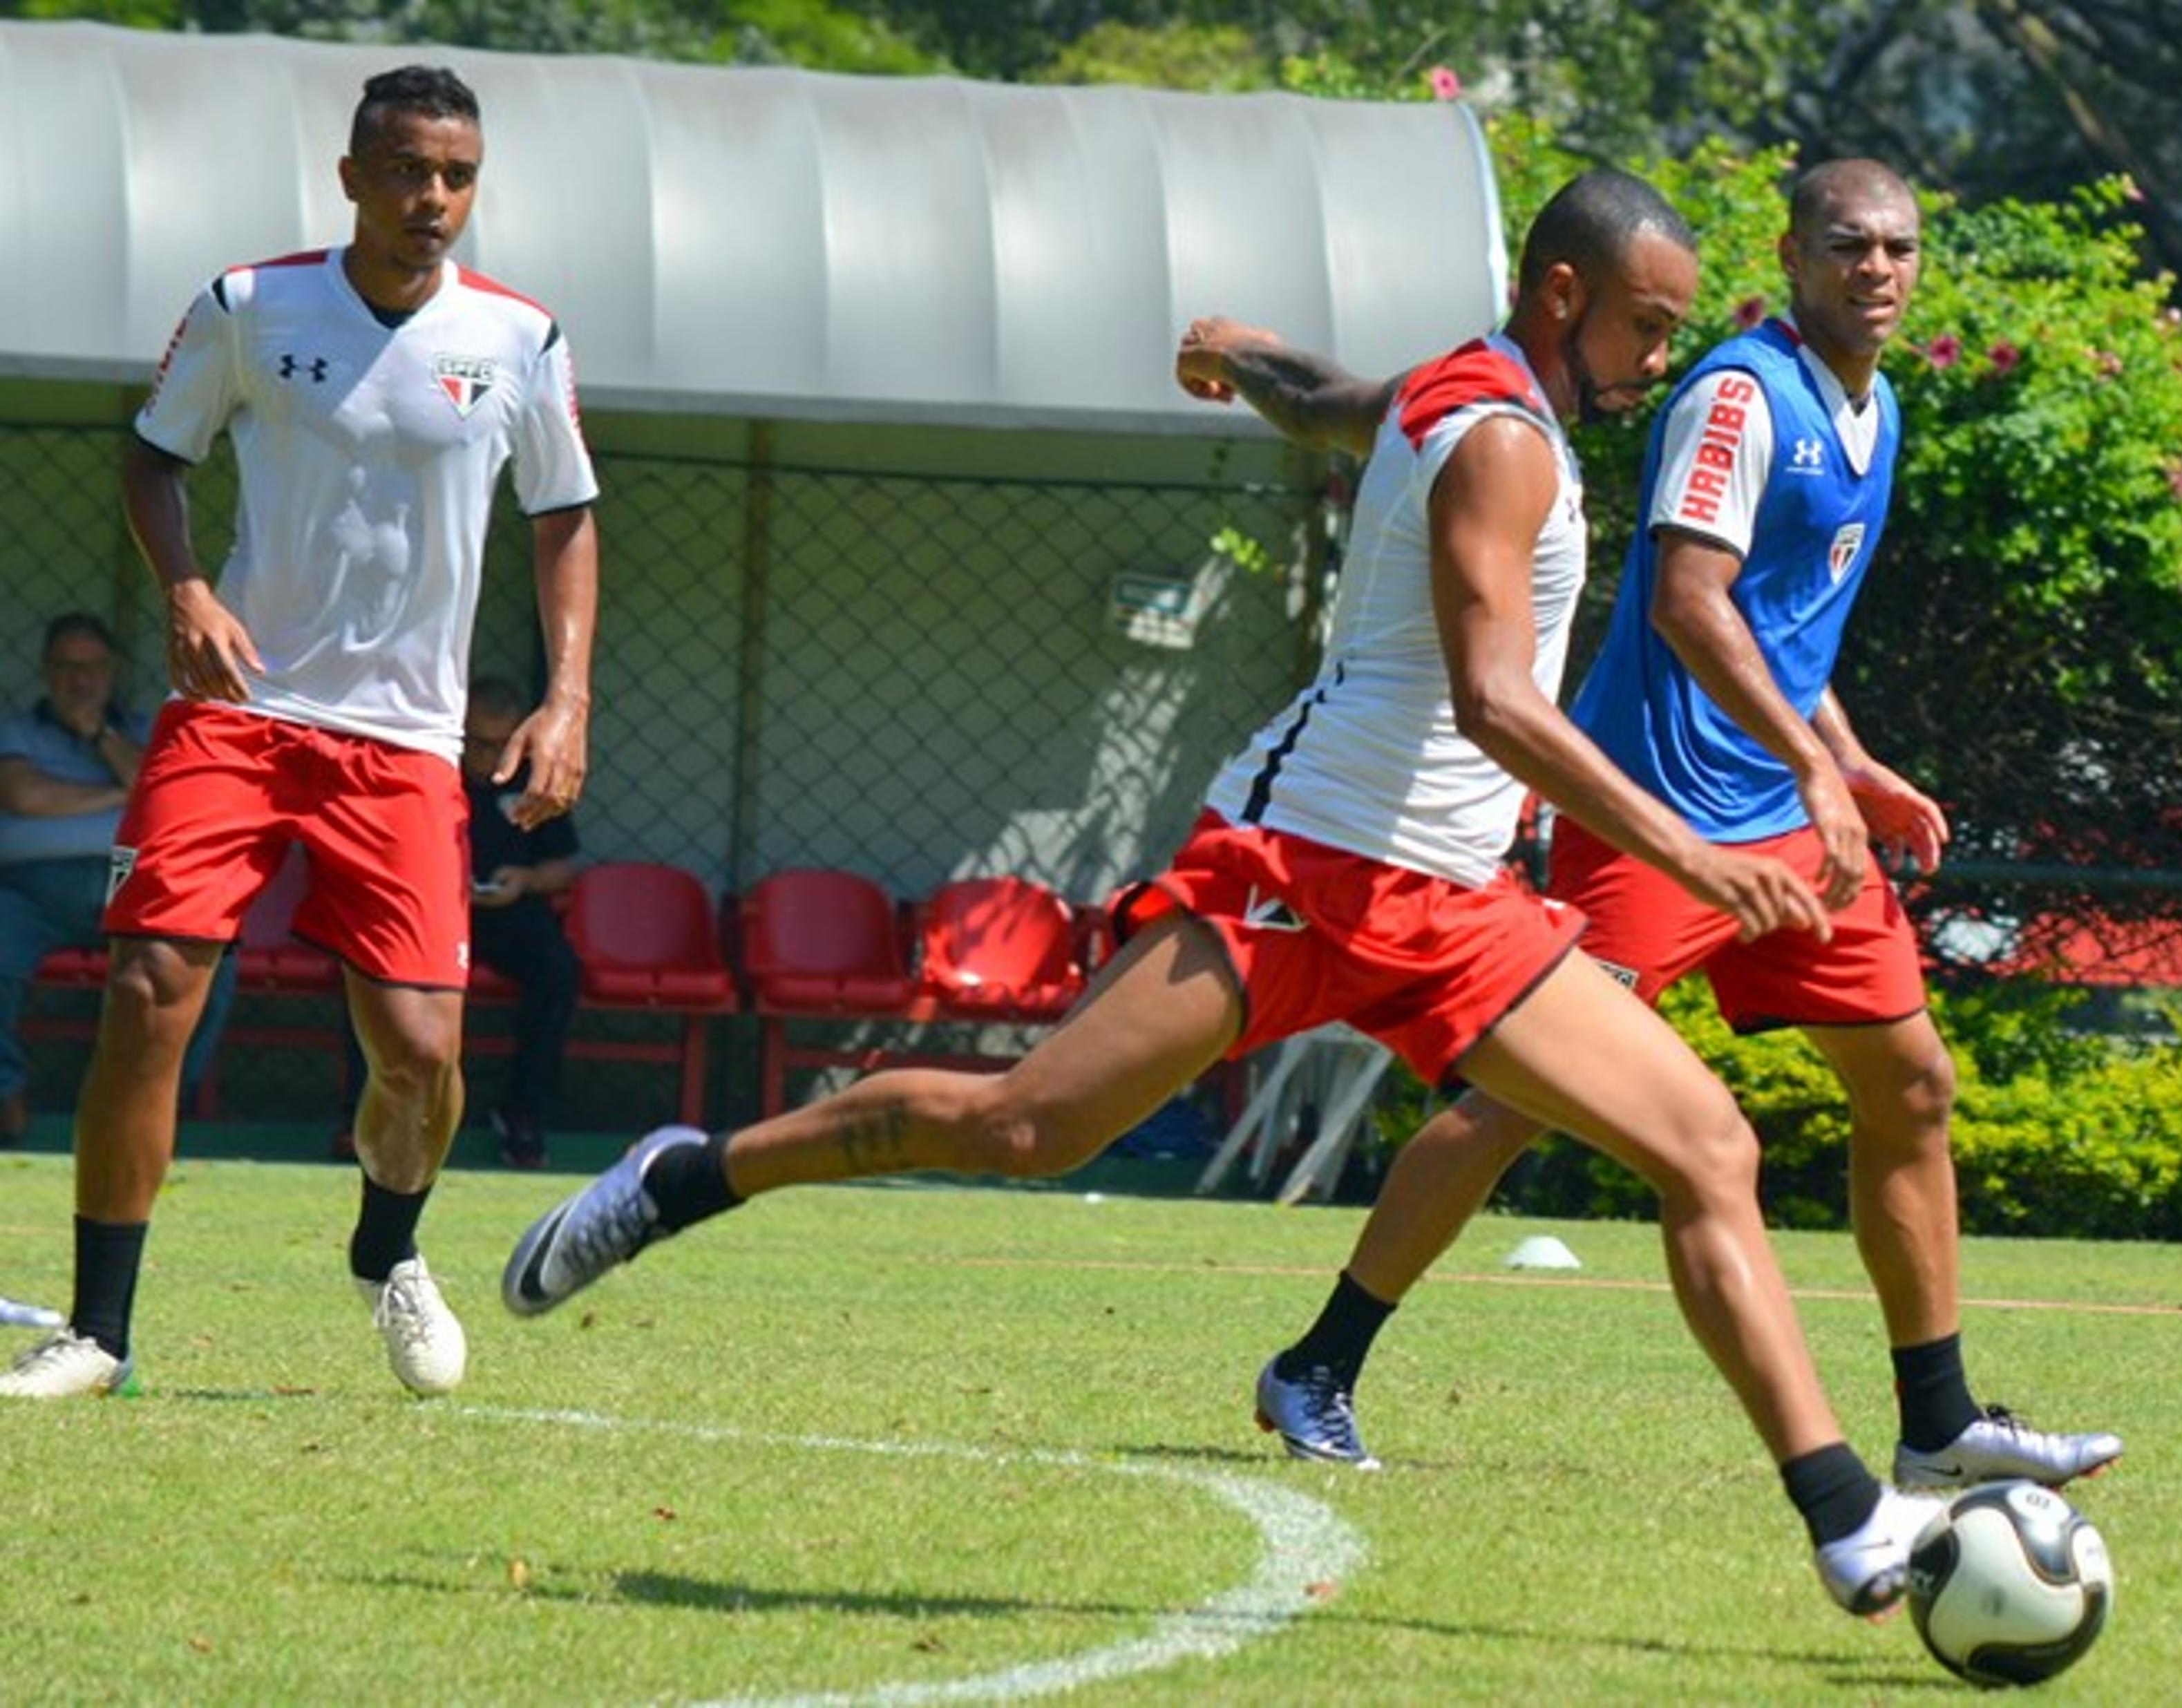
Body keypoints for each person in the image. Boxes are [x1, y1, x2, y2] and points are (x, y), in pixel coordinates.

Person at [502, 169, 1941, 1618]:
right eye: (1644, 324)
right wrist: (1688, 855)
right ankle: (691, 1174)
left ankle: (1843, 1516)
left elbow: (1329, 403)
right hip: (1303, 869)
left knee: (1706, 1149)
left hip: (1454, 904)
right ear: (1562, 295)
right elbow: (1498, 703)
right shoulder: (1502, 440)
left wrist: (1236, 354)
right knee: (1025, 1125)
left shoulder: (1460, 384)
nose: (1660, 359)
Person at [1242, 160, 2123, 1491]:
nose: (1877, 268)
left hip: (1789, 826)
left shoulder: (1873, 410)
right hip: (1661, 820)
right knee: (1511, 1105)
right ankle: (1318, 1363)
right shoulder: (1733, 394)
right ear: (1792, 256)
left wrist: (1851, 763)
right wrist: (1815, 770)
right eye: (1848, 246)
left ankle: (1939, 1422)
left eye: (1899, 248)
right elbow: (1690, 603)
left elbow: (1782, 635)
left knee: (1913, 1086)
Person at [0, 65, 600, 1402]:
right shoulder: (251, 305)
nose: (430, 198)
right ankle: (99, 1331)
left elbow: (567, 517)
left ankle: (386, 1250)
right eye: (403, 170)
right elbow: (156, 454)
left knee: (423, 1054)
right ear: (351, 179)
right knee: (150, 993)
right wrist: (187, 590)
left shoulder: (519, 339)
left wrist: (567, 698)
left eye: (454, 175)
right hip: (238, 715)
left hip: (404, 748)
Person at [0, 614, 236, 1142]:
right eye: (65, 666)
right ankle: (3, 1095)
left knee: (208, 960)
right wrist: (121, 793)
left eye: (92, 667)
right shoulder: (15, 729)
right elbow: (23, 796)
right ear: (45, 671)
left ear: (113, 672)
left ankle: (156, 1108)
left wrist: (99, 736)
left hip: (134, 884)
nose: (79, 681)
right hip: (30, 891)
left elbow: (161, 791)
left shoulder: (143, 730)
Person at [332, 674, 582, 1170]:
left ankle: (521, 1113)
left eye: (500, 744)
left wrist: (526, 880)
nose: (489, 755)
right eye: (478, 742)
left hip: (506, 912)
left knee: (558, 970)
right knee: (367, 964)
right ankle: (364, 1111)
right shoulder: (432, 771)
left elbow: (564, 866)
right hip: (429, 911)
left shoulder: (533, 777)